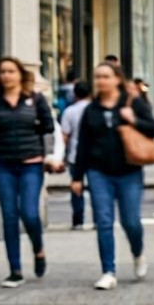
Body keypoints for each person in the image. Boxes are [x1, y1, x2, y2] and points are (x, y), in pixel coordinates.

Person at [71, 61, 154, 290]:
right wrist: (77, 177)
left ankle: (138, 251)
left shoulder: (132, 103)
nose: (101, 81)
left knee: (131, 221)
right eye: (98, 77)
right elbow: (83, 144)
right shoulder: (91, 109)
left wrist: (133, 119)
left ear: (117, 80)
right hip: (98, 171)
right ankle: (108, 271)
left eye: (106, 76)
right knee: (103, 221)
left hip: (128, 171)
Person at [0, 58, 56, 287]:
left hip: (31, 164)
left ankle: (38, 248)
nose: (6, 75)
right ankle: (14, 269)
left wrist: (49, 155)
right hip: (3, 164)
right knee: (9, 216)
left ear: (20, 74)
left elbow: (48, 127)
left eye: (10, 71)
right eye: (2, 71)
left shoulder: (35, 100)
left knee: (29, 213)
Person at [58, 80, 93, 230]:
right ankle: (99, 219)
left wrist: (62, 156)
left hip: (75, 154)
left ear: (75, 94)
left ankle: (78, 220)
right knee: (97, 188)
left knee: (76, 187)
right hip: (95, 155)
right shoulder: (94, 109)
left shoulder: (69, 111)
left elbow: (65, 136)